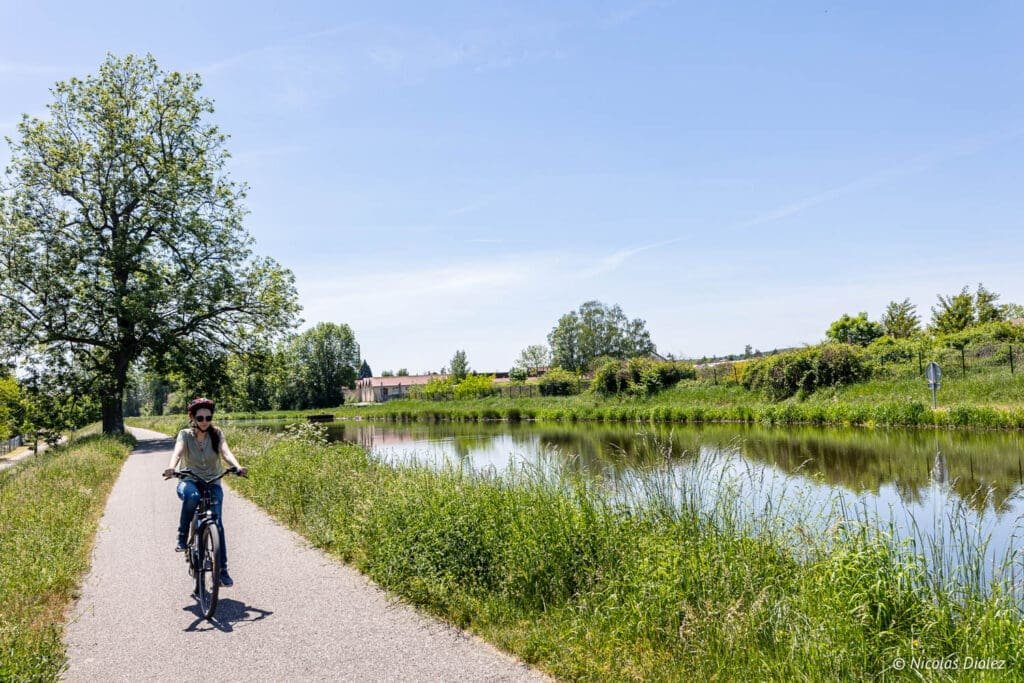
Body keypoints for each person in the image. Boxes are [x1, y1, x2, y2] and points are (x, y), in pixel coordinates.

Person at [162, 397, 247, 587]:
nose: (204, 421)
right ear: (192, 418)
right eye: (200, 418)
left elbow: (225, 452)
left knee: (217, 523)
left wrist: (237, 466)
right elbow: (177, 452)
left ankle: (222, 571)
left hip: (212, 482)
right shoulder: (185, 435)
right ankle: (182, 536)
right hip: (190, 480)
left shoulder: (216, 433)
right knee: (192, 496)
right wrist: (171, 467)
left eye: (208, 417)